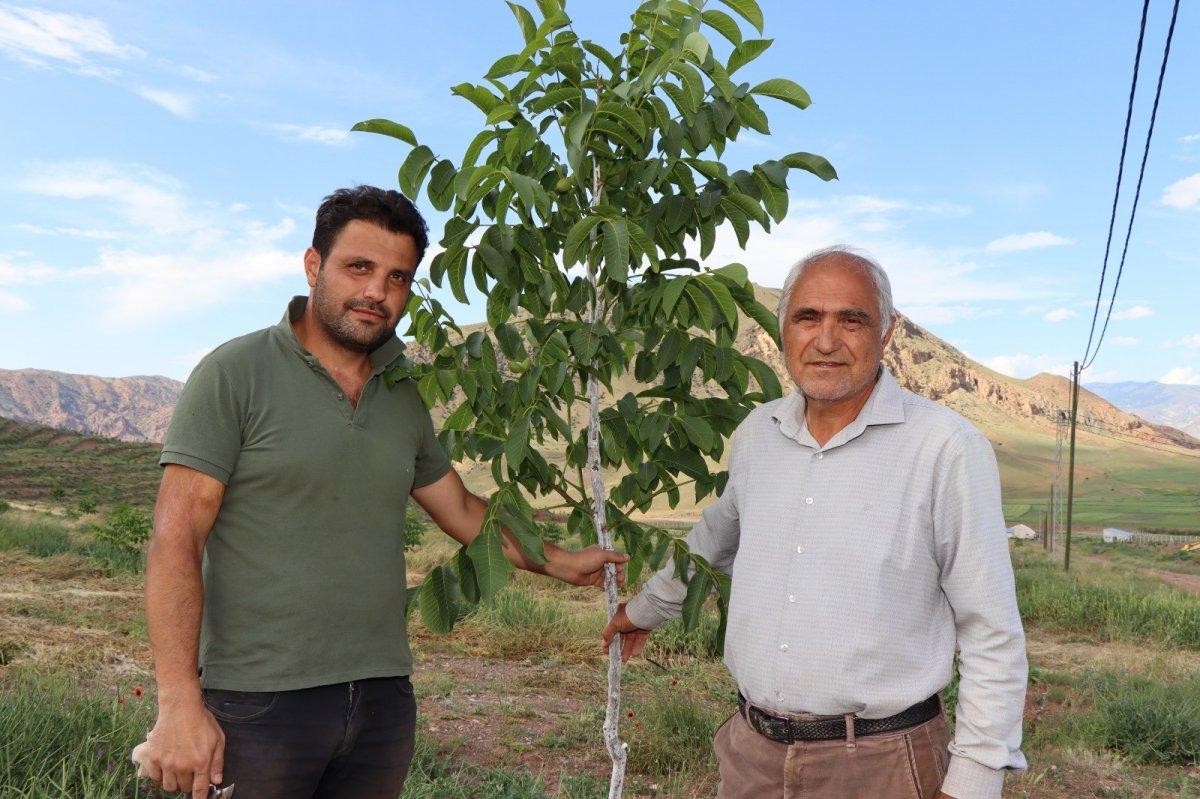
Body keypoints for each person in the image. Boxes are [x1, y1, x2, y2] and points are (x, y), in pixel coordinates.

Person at [139, 185, 628, 799]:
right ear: (314, 265)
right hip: (255, 701)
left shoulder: (403, 392)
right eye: (359, 267)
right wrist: (179, 702)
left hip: (381, 701)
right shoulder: (236, 373)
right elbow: (175, 536)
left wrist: (557, 560)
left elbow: (460, 508)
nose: (377, 291)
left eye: (398, 277)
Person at [603, 246, 1027, 799]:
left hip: (882, 765)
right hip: (751, 754)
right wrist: (644, 611)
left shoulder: (946, 448)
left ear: (888, 333)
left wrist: (973, 781)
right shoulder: (760, 433)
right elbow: (715, 537)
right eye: (808, 318)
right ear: (783, 332)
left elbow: (991, 629)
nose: (826, 341)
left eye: (851, 320)